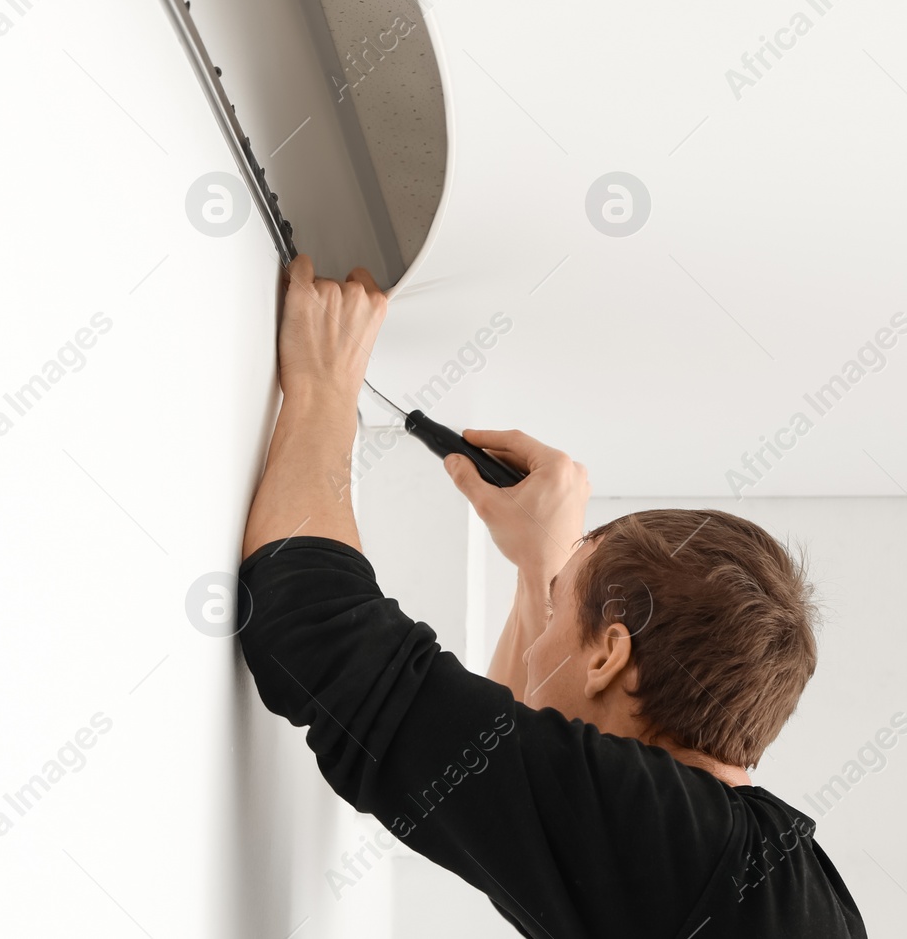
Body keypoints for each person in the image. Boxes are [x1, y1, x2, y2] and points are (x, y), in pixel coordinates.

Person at [239, 255, 867, 938]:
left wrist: (326, 385)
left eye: (558, 613)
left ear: (609, 655)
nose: (537, 645)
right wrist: (549, 566)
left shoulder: (676, 843)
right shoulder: (767, 875)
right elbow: (508, 778)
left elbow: (315, 630)